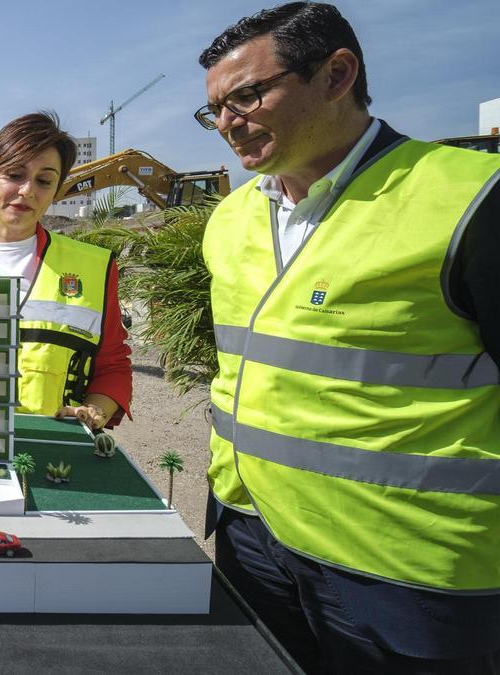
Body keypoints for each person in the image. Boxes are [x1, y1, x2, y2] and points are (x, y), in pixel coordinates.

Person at [196, 3, 500, 671]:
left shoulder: (470, 200)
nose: (226, 123)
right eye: (214, 108)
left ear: (337, 74)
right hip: (252, 538)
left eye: (246, 95)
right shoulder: (227, 219)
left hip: (410, 574)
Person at [0, 112, 132, 432]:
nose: (27, 190)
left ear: (56, 189)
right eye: (14, 175)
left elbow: (113, 364)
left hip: (51, 447)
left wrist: (93, 412)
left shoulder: (94, 267)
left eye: (44, 180)